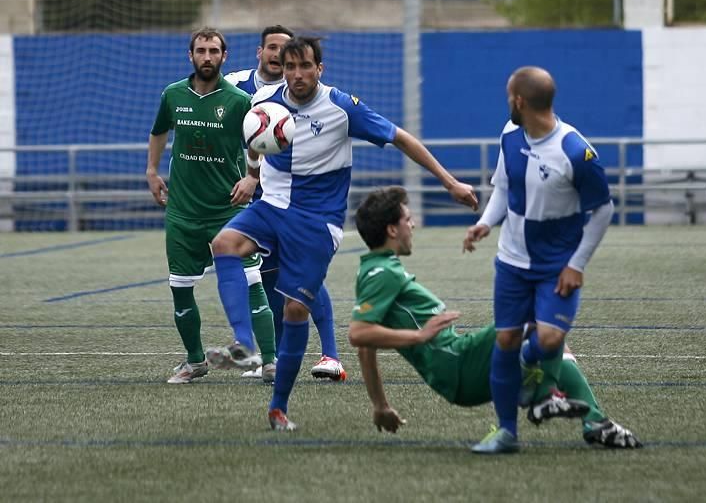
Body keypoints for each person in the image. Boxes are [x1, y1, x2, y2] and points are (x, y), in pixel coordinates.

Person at [206, 36, 478, 431]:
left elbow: (401, 138)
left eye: (306, 67)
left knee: (295, 309)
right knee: (224, 244)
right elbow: (253, 141)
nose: (297, 75)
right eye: (290, 67)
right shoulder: (264, 103)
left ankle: (278, 407)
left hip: (318, 220)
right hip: (273, 205)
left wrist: (450, 183)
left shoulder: (342, 108)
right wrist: (251, 175)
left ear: (320, 69)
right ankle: (245, 344)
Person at [349, 186, 641, 449]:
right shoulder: (382, 273)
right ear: (391, 230)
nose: (412, 225)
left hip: (456, 365)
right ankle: (538, 394)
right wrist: (418, 336)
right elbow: (359, 334)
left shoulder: (380, 269)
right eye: (407, 219)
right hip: (456, 363)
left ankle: (593, 422)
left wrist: (380, 406)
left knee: (553, 340)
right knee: (543, 317)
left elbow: (366, 347)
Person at [463, 66, 616, 454]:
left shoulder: (575, 151)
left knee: (549, 338)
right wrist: (484, 223)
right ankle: (506, 432)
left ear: (520, 101)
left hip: (557, 267)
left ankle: (529, 376)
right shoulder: (510, 134)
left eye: (508, 96)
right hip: (511, 263)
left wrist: (576, 264)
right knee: (506, 339)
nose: (507, 103)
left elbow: (603, 211)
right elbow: (502, 187)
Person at [146, 27, 273, 384]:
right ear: (191, 55)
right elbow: (158, 131)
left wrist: (252, 177)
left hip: (227, 210)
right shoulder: (173, 94)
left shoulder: (237, 101)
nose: (207, 57)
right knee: (180, 287)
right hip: (183, 212)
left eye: (213, 51)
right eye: (201, 51)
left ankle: (271, 361)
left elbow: (258, 141)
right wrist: (152, 170)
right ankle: (195, 361)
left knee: (252, 282)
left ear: (224, 56)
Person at [225, 25, 345, 383]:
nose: (279, 55)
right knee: (269, 277)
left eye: (287, 51)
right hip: (259, 201)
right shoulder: (238, 87)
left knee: (303, 276)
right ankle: (271, 358)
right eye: (273, 48)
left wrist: (255, 176)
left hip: (294, 202)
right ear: (259, 52)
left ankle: (330, 354)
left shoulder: (304, 95)